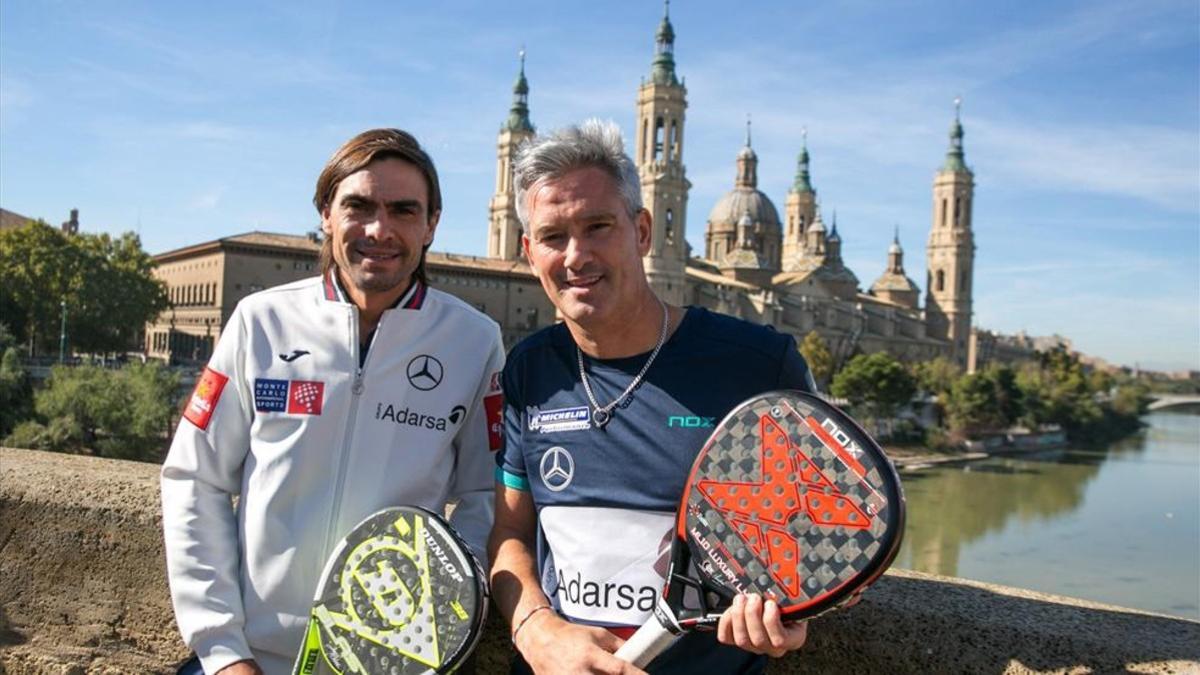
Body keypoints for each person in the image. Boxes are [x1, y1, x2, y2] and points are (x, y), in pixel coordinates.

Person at [161, 128, 505, 675]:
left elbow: (483, 496)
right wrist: (221, 648)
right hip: (247, 660)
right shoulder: (260, 320)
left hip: (390, 665)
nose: (379, 230)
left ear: (431, 224)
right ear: (326, 213)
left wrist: (437, 624)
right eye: (359, 206)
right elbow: (193, 479)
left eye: (403, 210)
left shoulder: (475, 341)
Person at [488, 120, 816, 675]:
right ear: (528, 250)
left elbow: (819, 532)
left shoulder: (758, 365)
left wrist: (798, 606)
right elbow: (510, 533)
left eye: (598, 226)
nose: (576, 255)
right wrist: (537, 631)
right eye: (552, 237)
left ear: (642, 231)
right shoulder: (530, 369)